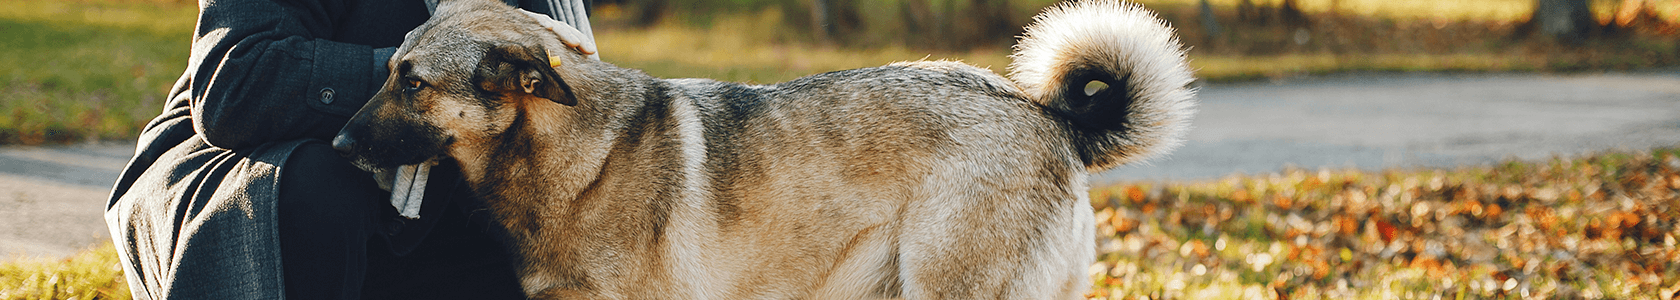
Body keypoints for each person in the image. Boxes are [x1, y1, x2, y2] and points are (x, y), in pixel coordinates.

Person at [103, 0, 596, 298]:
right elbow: (236, 86)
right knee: (318, 188)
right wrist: (422, 74)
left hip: (447, 194)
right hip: (264, 167)